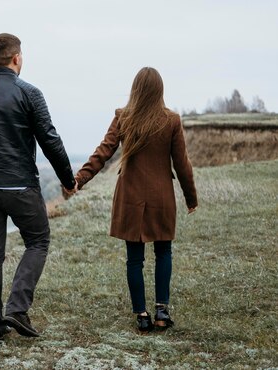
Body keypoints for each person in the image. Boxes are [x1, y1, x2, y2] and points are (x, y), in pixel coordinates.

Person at [0, 33, 76, 341]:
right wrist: (68, 180)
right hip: (19, 184)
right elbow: (50, 140)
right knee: (38, 240)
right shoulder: (29, 92)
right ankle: (17, 308)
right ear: (17, 58)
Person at [73, 67, 198, 332]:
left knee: (134, 259)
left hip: (130, 197)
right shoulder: (171, 120)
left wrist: (81, 178)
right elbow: (182, 164)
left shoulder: (123, 117)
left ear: (136, 89)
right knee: (163, 251)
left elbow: (103, 152)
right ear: (160, 91)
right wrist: (191, 198)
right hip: (161, 196)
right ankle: (161, 311)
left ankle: (142, 315)